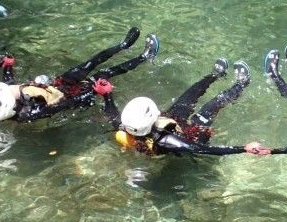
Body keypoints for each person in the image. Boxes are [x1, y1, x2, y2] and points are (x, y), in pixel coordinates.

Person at [0, 27, 158, 122]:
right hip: (71, 96)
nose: (11, 88)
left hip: (58, 84)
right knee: (105, 73)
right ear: (12, 105)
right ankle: (145, 57)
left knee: (90, 63)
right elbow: (66, 104)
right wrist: (94, 92)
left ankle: (123, 45)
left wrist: (7, 67)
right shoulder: (34, 111)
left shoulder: (9, 100)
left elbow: (9, 81)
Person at [103, 58, 266, 156]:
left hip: (166, 125)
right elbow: (202, 150)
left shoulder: (128, 127)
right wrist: (244, 148)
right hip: (188, 135)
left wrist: (106, 94)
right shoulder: (168, 141)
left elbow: (112, 116)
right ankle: (241, 84)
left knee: (189, 96)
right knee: (212, 106)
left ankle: (215, 75)